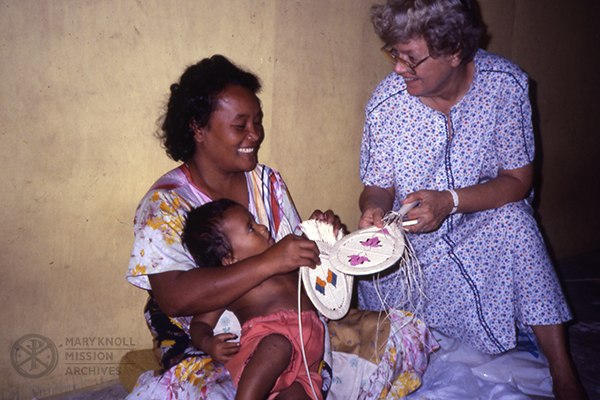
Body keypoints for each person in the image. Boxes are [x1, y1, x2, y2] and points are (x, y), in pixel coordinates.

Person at [125, 54, 437, 400]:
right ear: (198, 127)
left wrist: (321, 240)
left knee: (402, 336)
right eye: (240, 125)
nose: (254, 134)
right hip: (219, 348)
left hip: (298, 328)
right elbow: (173, 297)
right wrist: (272, 260)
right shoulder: (165, 203)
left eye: (257, 121)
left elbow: (297, 264)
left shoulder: (267, 183)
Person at [356, 1, 587, 399]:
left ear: (454, 52)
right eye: (394, 54)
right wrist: (372, 208)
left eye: (410, 59)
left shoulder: (505, 85)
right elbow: (376, 185)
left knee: (515, 220)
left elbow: (517, 181)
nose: (397, 68)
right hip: (412, 252)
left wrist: (449, 202)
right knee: (396, 324)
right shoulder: (386, 104)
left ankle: (564, 375)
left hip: (480, 231)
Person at [182, 199, 324, 400]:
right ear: (230, 260)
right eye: (251, 228)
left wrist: (315, 227)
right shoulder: (234, 285)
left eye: (255, 221)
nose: (263, 228)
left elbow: (304, 248)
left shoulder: (286, 261)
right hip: (266, 347)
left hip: (306, 361)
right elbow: (201, 322)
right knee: (278, 346)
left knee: (298, 395)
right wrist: (208, 343)